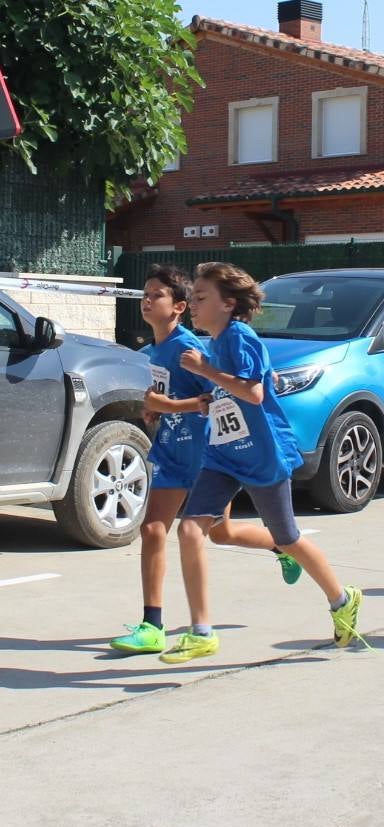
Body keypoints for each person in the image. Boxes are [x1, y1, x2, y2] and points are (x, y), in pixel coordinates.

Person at [160, 261, 363, 663]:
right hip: (222, 454)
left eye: (201, 298)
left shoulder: (239, 337)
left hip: (262, 455)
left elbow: (252, 394)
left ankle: (342, 599)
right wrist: (204, 401)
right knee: (189, 530)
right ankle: (202, 632)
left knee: (288, 537)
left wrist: (208, 373)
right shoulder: (214, 343)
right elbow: (230, 393)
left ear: (228, 303)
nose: (193, 305)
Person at [109, 264, 302, 655]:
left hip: (206, 454)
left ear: (179, 307)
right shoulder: (153, 348)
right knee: (152, 530)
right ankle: (152, 624)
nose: (146, 301)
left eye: (156, 295)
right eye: (144, 294)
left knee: (221, 533)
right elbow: (169, 395)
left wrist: (169, 404)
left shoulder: (189, 347)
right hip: (170, 450)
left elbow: (212, 399)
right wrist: (156, 411)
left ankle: (281, 546)